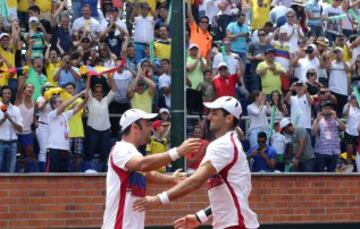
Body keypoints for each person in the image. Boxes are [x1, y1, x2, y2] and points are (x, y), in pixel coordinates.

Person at [133, 96, 260, 229]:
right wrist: (200, 217)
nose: (209, 117)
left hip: (236, 225)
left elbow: (195, 181)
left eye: (215, 113)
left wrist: (158, 199)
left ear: (229, 118)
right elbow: (226, 199)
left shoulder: (223, 145)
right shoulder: (231, 143)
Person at [101, 108, 200, 229]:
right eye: (147, 125)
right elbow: (143, 165)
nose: (151, 128)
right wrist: (177, 152)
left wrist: (171, 179)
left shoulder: (130, 151)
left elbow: (148, 174)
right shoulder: (121, 149)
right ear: (135, 127)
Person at [46, 91, 88, 172]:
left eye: (62, 101)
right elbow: (65, 106)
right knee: (53, 175)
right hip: (54, 149)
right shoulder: (51, 115)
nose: (62, 103)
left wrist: (86, 99)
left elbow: (78, 108)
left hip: (65, 149)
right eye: (60, 102)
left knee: (64, 174)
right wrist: (78, 94)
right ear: (54, 105)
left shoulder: (65, 115)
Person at [311, 101, 345, 172]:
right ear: (322, 110)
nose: (327, 110)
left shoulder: (336, 120)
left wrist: (336, 118)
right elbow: (313, 133)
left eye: (329, 108)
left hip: (334, 152)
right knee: (319, 174)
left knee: (332, 175)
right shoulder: (318, 120)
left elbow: (343, 128)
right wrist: (317, 120)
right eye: (325, 108)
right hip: (321, 152)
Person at [0, 86, 23, 172]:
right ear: (1, 95)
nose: (7, 95)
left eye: (9, 93)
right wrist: (3, 120)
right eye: (5, 93)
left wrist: (11, 120)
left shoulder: (15, 109)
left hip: (13, 143)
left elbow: (21, 129)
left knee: (11, 171)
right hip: (0, 142)